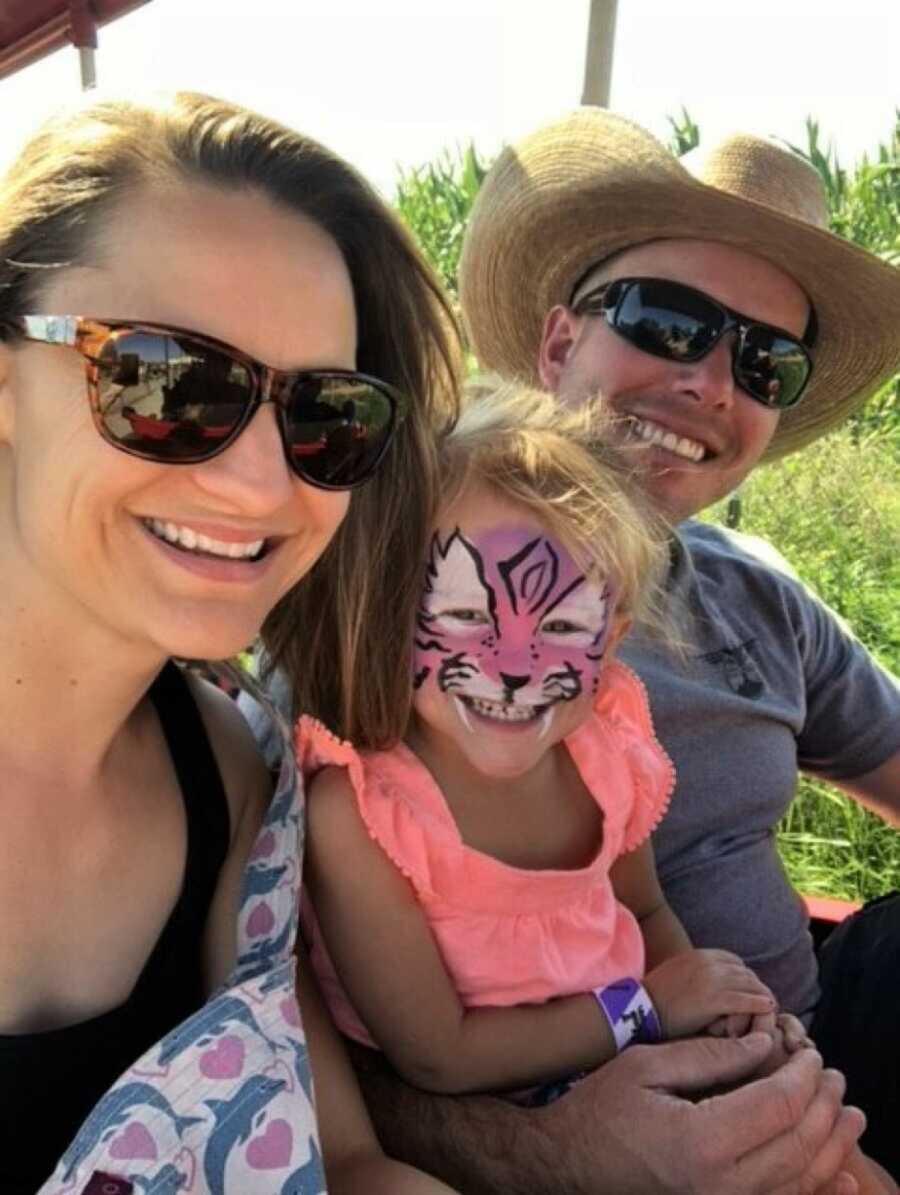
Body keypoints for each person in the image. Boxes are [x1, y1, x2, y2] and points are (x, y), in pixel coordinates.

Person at [334, 109, 900, 1194]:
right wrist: (545, 1152)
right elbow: (313, 1007)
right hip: (567, 1112)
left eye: (766, 361)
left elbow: (649, 911)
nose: (710, 382)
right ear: (556, 343)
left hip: (787, 1046)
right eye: (669, 320)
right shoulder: (376, 607)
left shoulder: (755, 597)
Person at [0, 90, 461, 1195]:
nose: (264, 482)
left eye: (325, 414)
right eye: (167, 381)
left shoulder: (232, 777)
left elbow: (340, 1162)